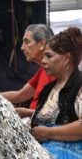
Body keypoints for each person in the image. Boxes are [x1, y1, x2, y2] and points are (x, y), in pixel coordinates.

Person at [30, 27, 82, 157]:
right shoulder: (49, 89)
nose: (43, 61)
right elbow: (54, 115)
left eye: (48, 56)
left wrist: (48, 133)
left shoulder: (79, 85)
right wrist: (29, 113)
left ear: (66, 58)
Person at [0, 24, 55, 118]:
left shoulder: (59, 74)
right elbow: (20, 95)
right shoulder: (42, 71)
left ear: (41, 44)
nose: (22, 47)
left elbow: (56, 115)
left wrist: (27, 112)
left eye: (27, 42)